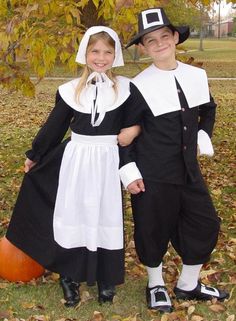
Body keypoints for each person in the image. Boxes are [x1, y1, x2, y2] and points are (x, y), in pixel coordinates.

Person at [6, 26, 140, 307]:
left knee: (105, 214)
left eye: (107, 52)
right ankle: (68, 276)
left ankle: (105, 277)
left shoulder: (127, 89)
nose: (100, 57)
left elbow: (136, 124)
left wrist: (136, 131)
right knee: (74, 213)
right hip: (76, 161)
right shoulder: (69, 91)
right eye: (95, 51)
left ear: (115, 55)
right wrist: (35, 154)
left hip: (107, 160)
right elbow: (54, 127)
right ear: (85, 53)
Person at [118, 7, 229, 313]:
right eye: (151, 41)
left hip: (188, 171)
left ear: (175, 37)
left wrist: (202, 136)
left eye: (164, 36)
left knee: (205, 223)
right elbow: (124, 134)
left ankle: (188, 284)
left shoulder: (196, 76)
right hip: (152, 173)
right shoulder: (138, 85)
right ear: (143, 47)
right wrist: (128, 171)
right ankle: (155, 284)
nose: (159, 44)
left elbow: (209, 108)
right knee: (152, 228)